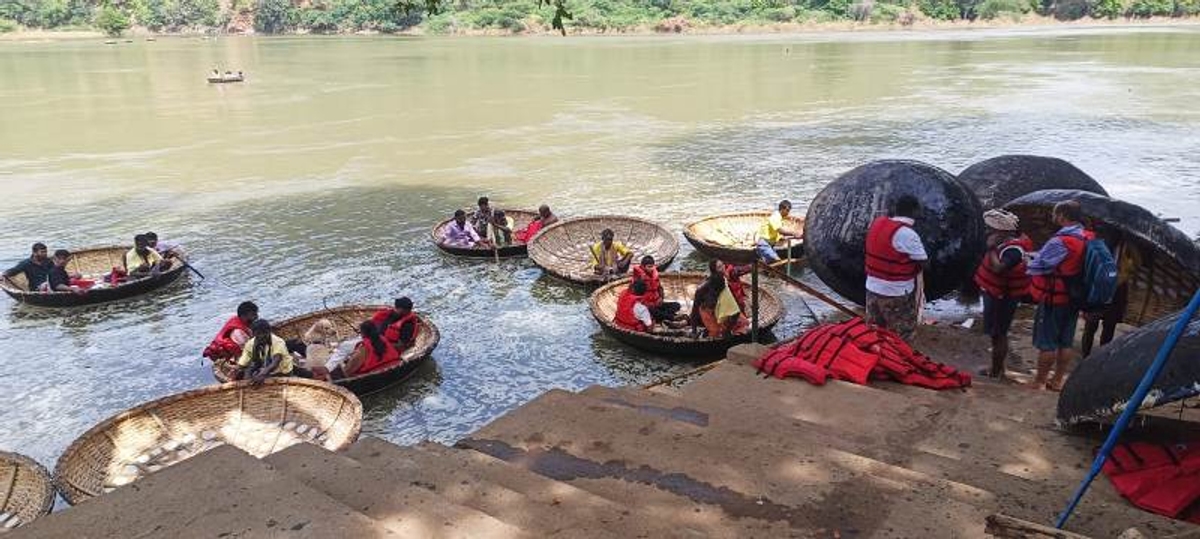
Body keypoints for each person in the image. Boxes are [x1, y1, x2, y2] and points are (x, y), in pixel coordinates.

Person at [1026, 200, 1090, 391]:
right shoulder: (1086, 237)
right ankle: (1058, 380)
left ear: (1062, 215)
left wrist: (1028, 259)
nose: (1053, 217)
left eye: (1055, 213)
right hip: (1073, 297)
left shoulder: (1060, 241)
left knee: (1048, 343)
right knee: (1065, 341)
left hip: (1055, 298)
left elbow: (1039, 266)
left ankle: (1039, 382)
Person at [973, 209, 1033, 380]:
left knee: (999, 333)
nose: (987, 231)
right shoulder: (1009, 244)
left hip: (1002, 297)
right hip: (997, 293)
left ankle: (996, 372)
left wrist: (991, 248)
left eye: (991, 229)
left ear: (1001, 231)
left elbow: (999, 268)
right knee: (996, 333)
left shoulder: (1013, 250)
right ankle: (998, 368)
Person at [863, 195, 928, 341]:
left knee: (875, 332)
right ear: (915, 211)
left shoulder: (877, 223)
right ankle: (899, 360)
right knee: (901, 335)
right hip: (895, 292)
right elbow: (924, 262)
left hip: (872, 287)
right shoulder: (908, 234)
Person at [1080, 229, 1140, 357]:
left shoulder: (1124, 247)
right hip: (1109, 287)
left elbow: (1136, 263)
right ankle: (1091, 356)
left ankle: (1093, 356)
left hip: (1111, 288)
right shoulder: (1103, 245)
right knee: (1099, 326)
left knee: (1101, 325)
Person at [234, 319, 312, 385]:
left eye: (264, 333)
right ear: (253, 334)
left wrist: (263, 373)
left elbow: (276, 361)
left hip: (282, 370)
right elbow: (243, 361)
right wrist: (236, 370)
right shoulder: (250, 344)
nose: (261, 336)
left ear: (269, 331)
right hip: (265, 368)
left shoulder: (277, 342)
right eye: (258, 334)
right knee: (246, 371)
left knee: (300, 372)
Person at [690, 260, 747, 338]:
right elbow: (694, 310)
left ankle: (723, 329)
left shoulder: (724, 283)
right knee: (716, 332)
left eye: (723, 265)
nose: (723, 268)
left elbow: (734, 307)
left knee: (744, 322)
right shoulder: (702, 289)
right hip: (708, 312)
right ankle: (705, 332)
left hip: (720, 309)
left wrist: (727, 331)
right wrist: (694, 331)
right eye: (719, 267)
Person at [336, 321, 401, 378]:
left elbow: (347, 371)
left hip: (372, 375)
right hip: (392, 367)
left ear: (363, 333)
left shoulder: (363, 348)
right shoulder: (383, 339)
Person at [631, 255, 682, 322]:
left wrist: (661, 298)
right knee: (652, 311)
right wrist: (646, 304)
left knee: (677, 305)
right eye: (649, 267)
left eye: (652, 266)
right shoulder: (638, 278)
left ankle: (663, 316)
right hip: (647, 306)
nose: (651, 269)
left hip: (656, 303)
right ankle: (671, 317)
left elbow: (660, 288)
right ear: (643, 267)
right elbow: (636, 296)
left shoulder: (655, 275)